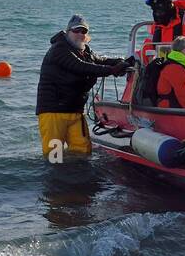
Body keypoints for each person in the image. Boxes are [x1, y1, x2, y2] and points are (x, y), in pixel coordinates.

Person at [36, 14, 132, 158]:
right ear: (68, 31)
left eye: (84, 31)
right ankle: (54, 179)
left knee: (83, 152)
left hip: (75, 110)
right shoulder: (59, 50)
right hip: (53, 112)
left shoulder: (85, 50)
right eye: (76, 30)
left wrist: (123, 62)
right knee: (54, 156)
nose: (80, 34)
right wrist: (112, 71)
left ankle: (79, 178)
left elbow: (100, 61)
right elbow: (81, 67)